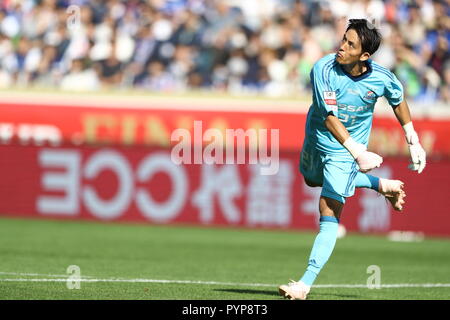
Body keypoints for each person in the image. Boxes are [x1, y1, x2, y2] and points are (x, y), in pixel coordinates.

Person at [278, 19, 427, 300]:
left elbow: (397, 98)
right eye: (343, 40)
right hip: (317, 138)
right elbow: (329, 117)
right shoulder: (323, 68)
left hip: (342, 152)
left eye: (351, 44)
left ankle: (304, 284)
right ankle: (381, 185)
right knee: (311, 180)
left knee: (328, 206)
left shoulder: (381, 77)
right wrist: (360, 153)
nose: (342, 47)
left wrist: (412, 138)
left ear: (365, 56)